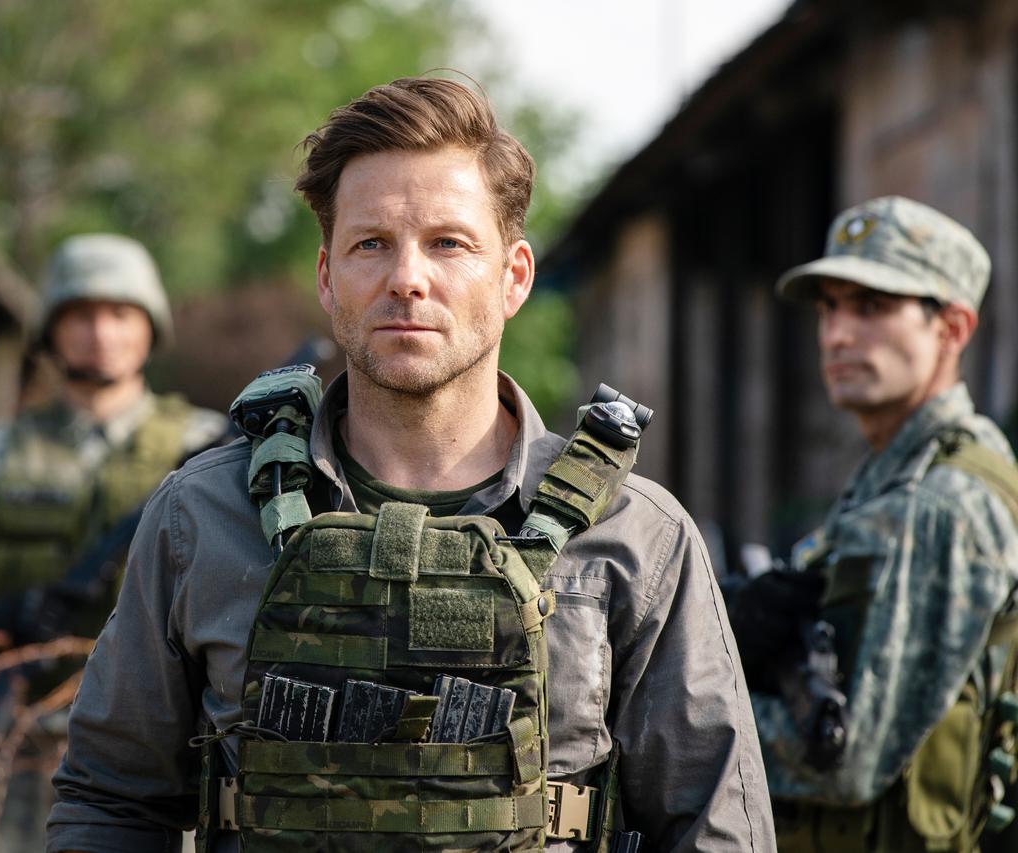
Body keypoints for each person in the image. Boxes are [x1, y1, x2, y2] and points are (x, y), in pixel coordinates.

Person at [48, 77, 772, 853]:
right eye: (371, 244)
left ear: (514, 277)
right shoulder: (202, 516)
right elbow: (110, 802)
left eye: (448, 243)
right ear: (328, 277)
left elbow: (717, 830)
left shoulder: (636, 537)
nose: (407, 278)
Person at [0, 233, 229, 847]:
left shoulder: (209, 449)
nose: (101, 332)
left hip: (159, 765)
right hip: (13, 753)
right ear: (49, 330)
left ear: (151, 327)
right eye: (80, 315)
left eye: (120, 313)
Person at [731, 196, 1018, 852]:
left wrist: (688, 705)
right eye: (829, 307)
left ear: (952, 328)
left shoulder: (941, 503)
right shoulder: (895, 476)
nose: (837, 334)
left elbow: (847, 759)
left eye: (871, 307)